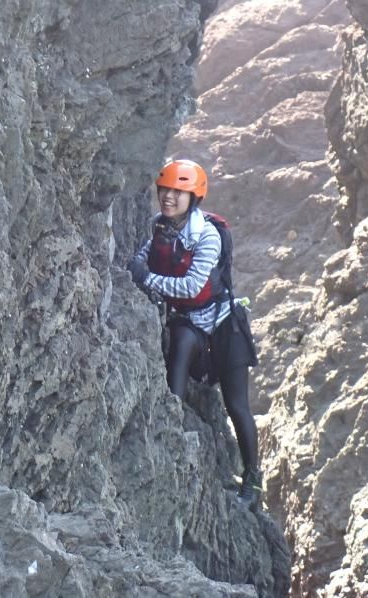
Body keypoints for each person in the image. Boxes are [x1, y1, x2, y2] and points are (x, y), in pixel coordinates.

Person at [127, 159, 262, 512]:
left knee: (237, 404)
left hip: (223, 322)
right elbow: (142, 259)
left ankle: (252, 479)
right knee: (179, 356)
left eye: (178, 192)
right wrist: (139, 269)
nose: (169, 197)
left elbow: (190, 285)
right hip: (189, 321)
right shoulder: (160, 228)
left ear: (193, 197)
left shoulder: (207, 236)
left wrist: (146, 278)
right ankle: (169, 431)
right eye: (165, 190)